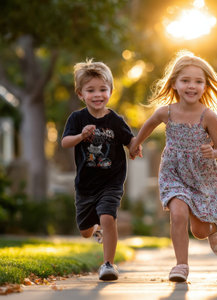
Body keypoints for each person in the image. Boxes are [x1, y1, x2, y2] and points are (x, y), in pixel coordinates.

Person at [129, 51, 217, 282]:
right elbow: (148, 126)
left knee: (198, 232)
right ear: (175, 84)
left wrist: (214, 152)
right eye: (186, 80)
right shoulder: (166, 112)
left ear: (205, 86)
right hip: (173, 172)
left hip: (201, 176)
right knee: (178, 214)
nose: (192, 86)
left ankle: (212, 229)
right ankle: (181, 266)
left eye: (198, 81)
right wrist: (136, 144)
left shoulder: (208, 116)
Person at [61, 59, 142, 281]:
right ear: (80, 94)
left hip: (111, 182)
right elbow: (65, 142)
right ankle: (96, 230)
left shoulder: (115, 120)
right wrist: (81, 136)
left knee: (108, 216)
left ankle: (108, 264)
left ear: (111, 91)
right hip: (86, 185)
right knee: (85, 231)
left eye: (102, 89)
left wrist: (135, 148)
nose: (97, 95)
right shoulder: (77, 118)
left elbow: (130, 140)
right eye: (91, 90)